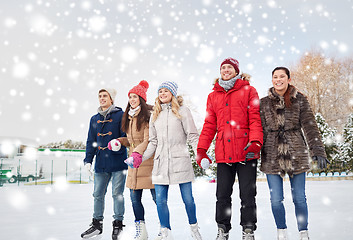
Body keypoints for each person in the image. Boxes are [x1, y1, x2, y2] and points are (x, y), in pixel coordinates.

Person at [196, 57, 263, 240]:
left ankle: (248, 230)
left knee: (248, 194)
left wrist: (256, 142)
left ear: (236, 71)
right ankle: (222, 229)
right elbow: (209, 124)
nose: (226, 70)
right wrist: (202, 149)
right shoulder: (213, 96)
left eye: (229, 67)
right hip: (223, 153)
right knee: (222, 194)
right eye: (223, 67)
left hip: (246, 151)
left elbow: (255, 119)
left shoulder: (249, 90)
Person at [259, 67, 329, 240]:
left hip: (296, 151)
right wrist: (253, 150)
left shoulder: (300, 100)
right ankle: (281, 232)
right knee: (276, 199)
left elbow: (310, 126)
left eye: (282, 76)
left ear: (289, 79)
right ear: (272, 80)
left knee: (299, 198)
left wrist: (318, 150)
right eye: (275, 77)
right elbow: (258, 130)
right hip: (271, 153)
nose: (278, 80)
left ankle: (303, 232)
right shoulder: (264, 103)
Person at [136, 81, 203, 240]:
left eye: (166, 91)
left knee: (188, 199)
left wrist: (200, 153)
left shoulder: (183, 111)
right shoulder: (155, 114)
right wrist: (142, 157)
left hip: (180, 161)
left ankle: (194, 228)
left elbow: (192, 136)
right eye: (160, 91)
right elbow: (153, 142)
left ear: (172, 93)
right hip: (160, 163)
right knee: (160, 200)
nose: (163, 94)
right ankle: (166, 231)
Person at [108, 80, 158, 240]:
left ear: (141, 99)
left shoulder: (147, 116)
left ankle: (164, 228)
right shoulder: (128, 117)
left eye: (135, 96)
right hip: (133, 164)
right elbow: (131, 141)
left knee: (158, 199)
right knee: (135, 200)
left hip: (147, 162)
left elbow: (147, 140)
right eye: (130, 97)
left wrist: (136, 153)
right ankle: (141, 230)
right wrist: (119, 141)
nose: (131, 99)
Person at [81, 88, 128, 240]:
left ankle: (118, 224)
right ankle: (97, 225)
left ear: (111, 99)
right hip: (101, 163)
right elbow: (90, 141)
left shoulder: (121, 115)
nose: (101, 98)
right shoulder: (94, 119)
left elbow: (126, 137)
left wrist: (118, 142)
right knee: (97, 194)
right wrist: (88, 160)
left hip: (118, 162)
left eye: (104, 96)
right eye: (100, 96)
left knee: (117, 194)